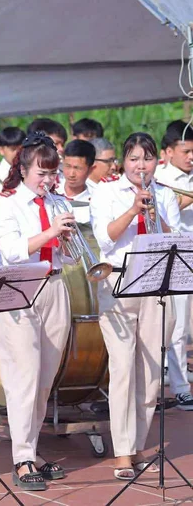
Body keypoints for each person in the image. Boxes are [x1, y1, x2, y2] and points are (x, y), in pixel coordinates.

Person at [0, 133, 74, 491]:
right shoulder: (5, 203)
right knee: (23, 377)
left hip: (55, 286)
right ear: (23, 170)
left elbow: (69, 257)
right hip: (20, 288)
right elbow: (11, 252)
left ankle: (31, 450)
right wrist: (51, 231)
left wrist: (66, 240)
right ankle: (21, 458)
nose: (48, 180)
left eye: (53, 173)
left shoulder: (56, 200)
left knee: (44, 380)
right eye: (42, 173)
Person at [92, 132, 180, 478]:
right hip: (119, 282)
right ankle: (122, 452)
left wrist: (157, 210)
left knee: (150, 371)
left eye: (147, 158)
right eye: (133, 159)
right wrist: (133, 209)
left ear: (157, 161)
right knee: (123, 370)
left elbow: (176, 239)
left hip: (158, 282)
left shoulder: (165, 193)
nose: (140, 165)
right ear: (123, 162)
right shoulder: (106, 192)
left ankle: (138, 444)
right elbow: (105, 238)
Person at [155, 121, 193, 410]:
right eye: (185, 151)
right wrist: (183, 199)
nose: (191, 157)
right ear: (168, 152)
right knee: (176, 327)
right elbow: (162, 218)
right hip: (177, 258)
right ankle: (181, 388)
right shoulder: (160, 180)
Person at [59, 140, 97, 222]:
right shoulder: (51, 191)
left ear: (90, 170)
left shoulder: (96, 200)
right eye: (67, 166)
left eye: (77, 168)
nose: (71, 174)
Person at [0, 127, 24, 197]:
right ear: (1, 150)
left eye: (21, 149)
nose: (17, 153)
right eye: (13, 149)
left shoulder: (30, 169)